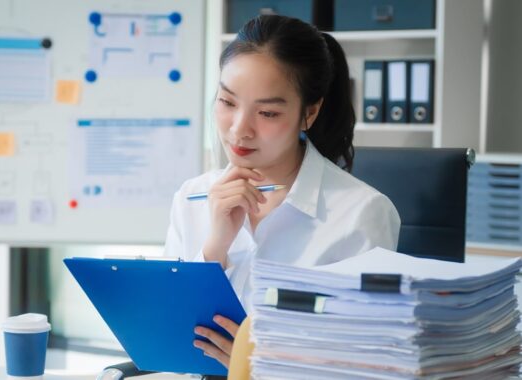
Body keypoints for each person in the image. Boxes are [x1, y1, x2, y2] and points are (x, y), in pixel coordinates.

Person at [164, 15, 401, 369]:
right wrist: (215, 247)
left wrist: (261, 367)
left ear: (310, 112)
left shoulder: (361, 214)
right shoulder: (192, 197)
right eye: (227, 102)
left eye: (268, 112)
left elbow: (365, 363)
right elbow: (167, 333)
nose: (240, 130)